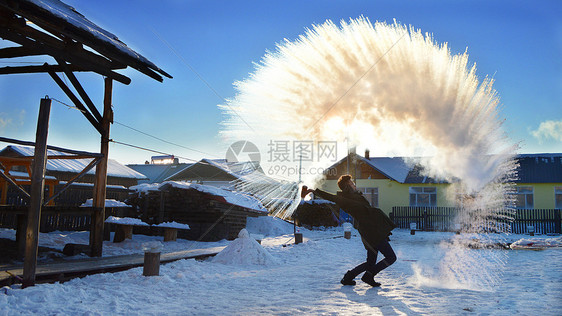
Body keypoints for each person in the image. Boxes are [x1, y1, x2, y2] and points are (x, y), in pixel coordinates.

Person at [301, 175, 397, 287]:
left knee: (371, 262)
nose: (354, 184)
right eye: (351, 183)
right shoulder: (346, 200)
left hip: (371, 230)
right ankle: (368, 275)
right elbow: (332, 197)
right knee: (391, 257)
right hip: (372, 232)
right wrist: (313, 191)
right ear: (347, 186)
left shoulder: (355, 196)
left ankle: (349, 278)